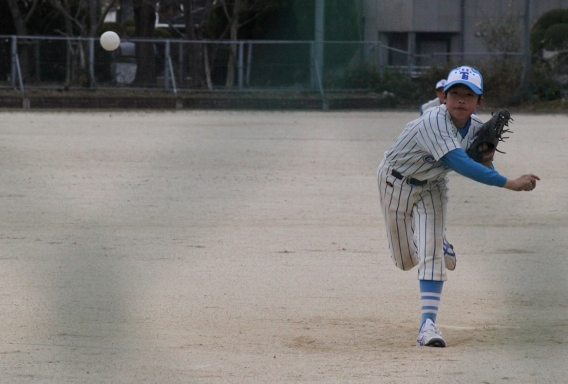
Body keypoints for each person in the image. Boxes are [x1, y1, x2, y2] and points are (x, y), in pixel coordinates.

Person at [377, 65, 540, 348]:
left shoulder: (477, 128)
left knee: (430, 254)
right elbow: (460, 163)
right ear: (444, 97)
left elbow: (481, 163)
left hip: (433, 188)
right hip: (395, 182)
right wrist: (510, 183)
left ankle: (427, 325)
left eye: (469, 94)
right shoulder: (433, 122)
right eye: (455, 93)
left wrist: (487, 157)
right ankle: (438, 243)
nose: (461, 100)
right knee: (405, 261)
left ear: (480, 102)